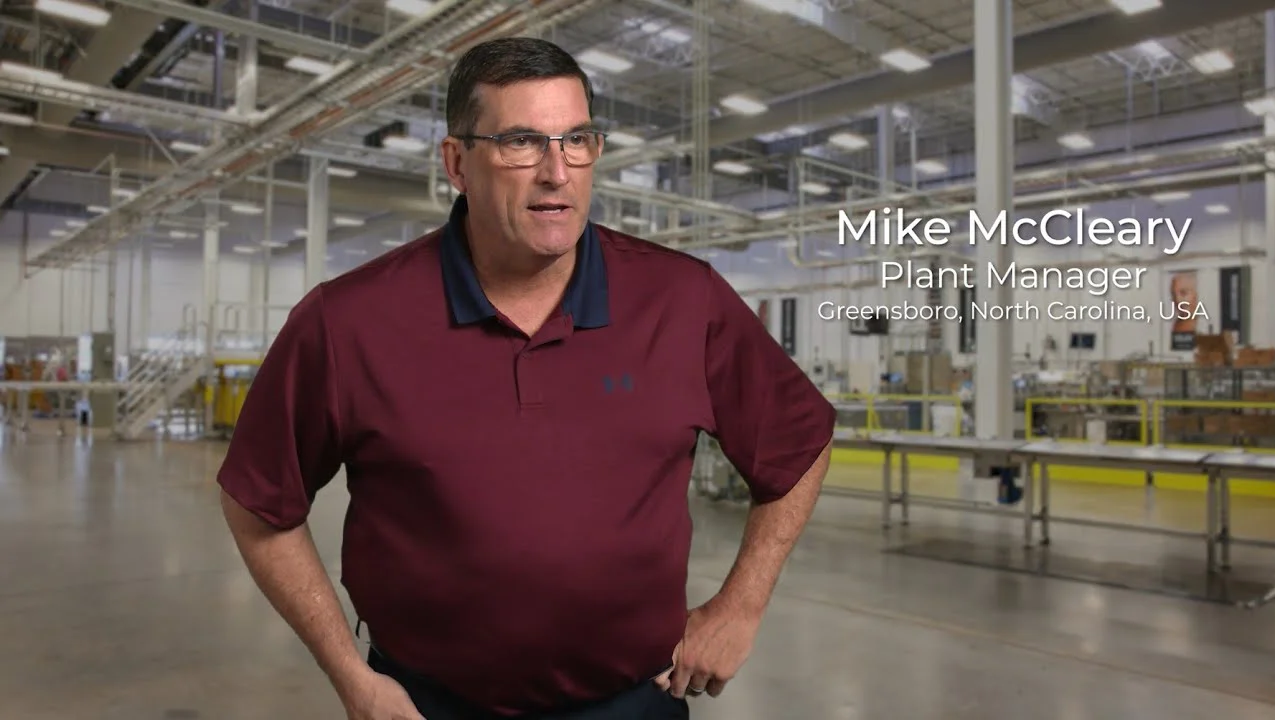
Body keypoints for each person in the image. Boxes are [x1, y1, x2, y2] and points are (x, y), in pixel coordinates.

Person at [216, 36, 835, 720]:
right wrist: (349, 676)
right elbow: (259, 505)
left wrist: (741, 605)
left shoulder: (682, 300)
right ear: (456, 162)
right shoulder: (350, 321)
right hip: (427, 707)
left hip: (633, 706)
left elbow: (798, 442)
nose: (556, 171)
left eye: (577, 140)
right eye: (521, 142)